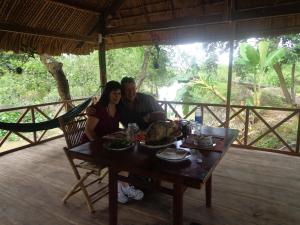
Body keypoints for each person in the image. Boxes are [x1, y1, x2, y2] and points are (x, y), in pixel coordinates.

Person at [82, 80, 144, 204]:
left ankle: (122, 188)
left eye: (120, 93)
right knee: (121, 158)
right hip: (92, 146)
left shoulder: (118, 108)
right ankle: (121, 189)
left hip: (109, 145)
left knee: (129, 152)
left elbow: (115, 128)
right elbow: (88, 131)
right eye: (114, 93)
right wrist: (100, 144)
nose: (117, 96)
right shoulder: (98, 109)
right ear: (107, 94)